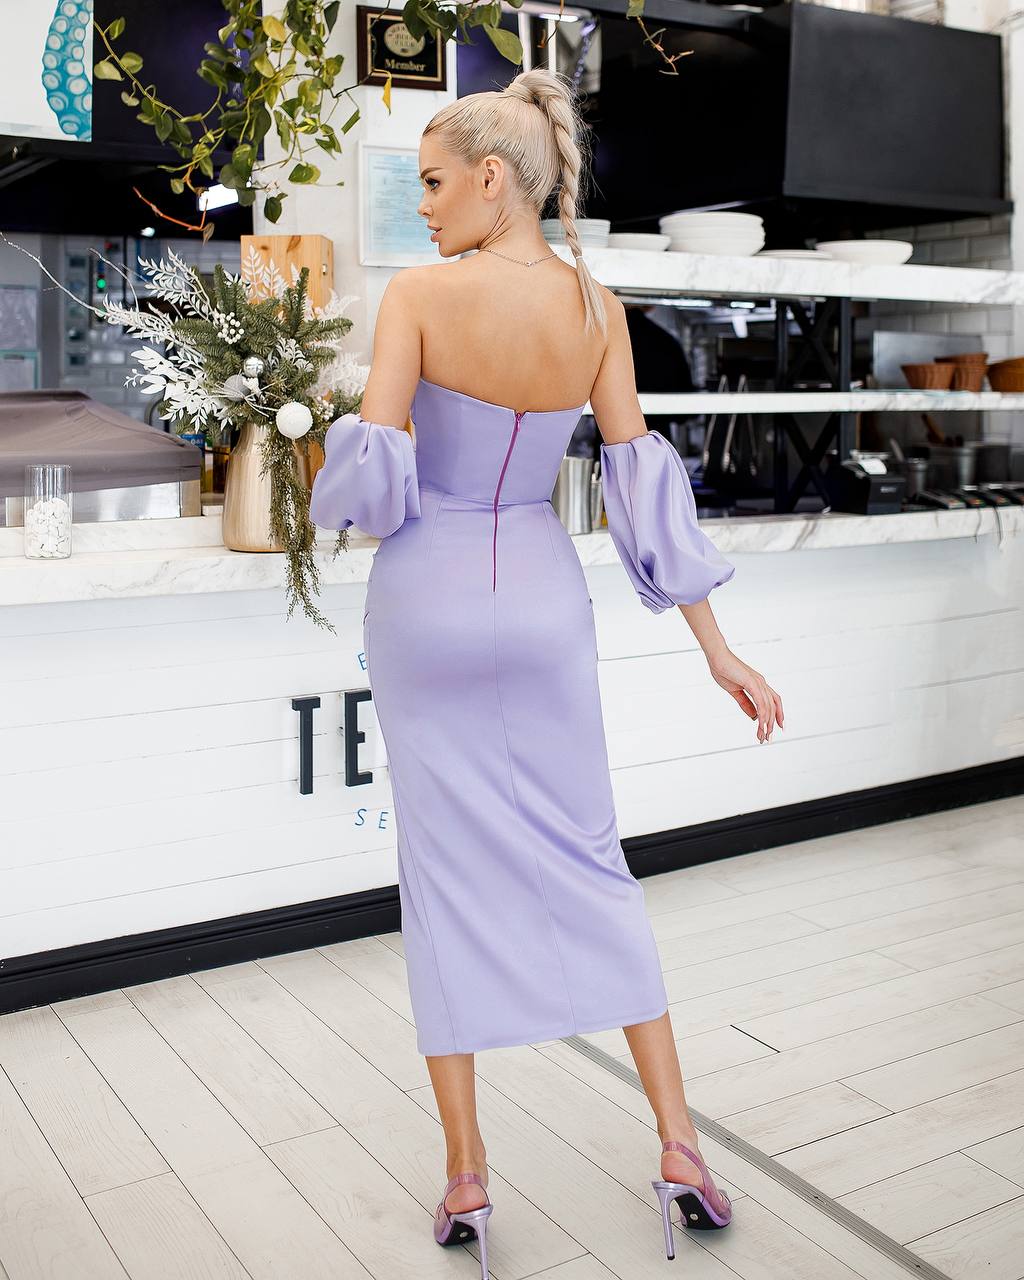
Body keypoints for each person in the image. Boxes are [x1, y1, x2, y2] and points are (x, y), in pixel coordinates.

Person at [309, 67, 784, 1275]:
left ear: (491, 178)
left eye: (430, 182)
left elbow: (373, 492)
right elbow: (640, 489)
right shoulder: (597, 309)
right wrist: (718, 648)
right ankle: (679, 1145)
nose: (422, 205)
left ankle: (467, 1174)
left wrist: (328, 442)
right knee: (591, 858)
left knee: (441, 876)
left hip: (426, 600)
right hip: (539, 593)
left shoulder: (418, 297)